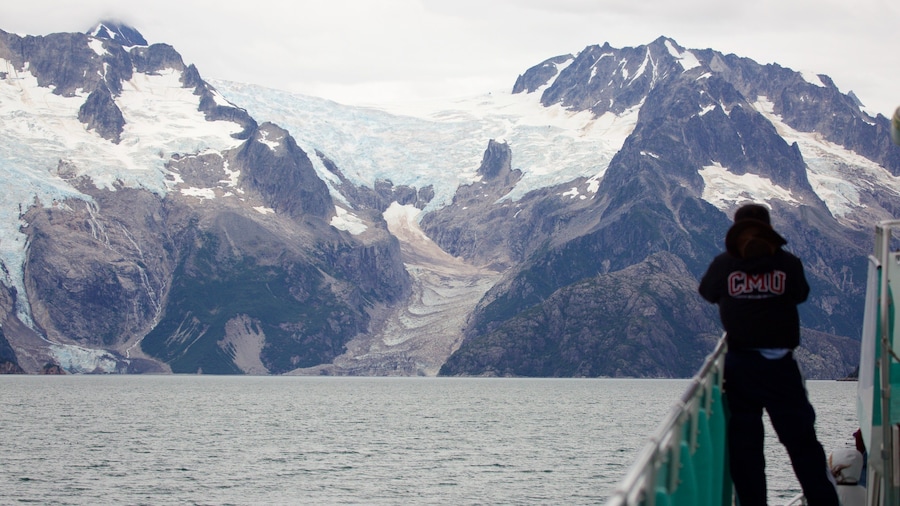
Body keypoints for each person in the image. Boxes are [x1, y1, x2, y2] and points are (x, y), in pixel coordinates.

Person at [698, 203, 839, 506]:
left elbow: (707, 292)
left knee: (745, 449)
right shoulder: (787, 263)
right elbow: (800, 294)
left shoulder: (724, 264)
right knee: (802, 444)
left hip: (740, 367)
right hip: (781, 367)